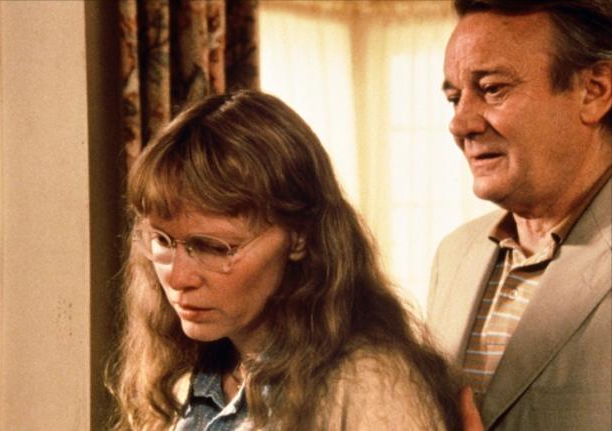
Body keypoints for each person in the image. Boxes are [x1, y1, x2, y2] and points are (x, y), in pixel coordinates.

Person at [107, 90, 463, 430]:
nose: (178, 277)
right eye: (162, 240)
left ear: (299, 238)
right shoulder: (184, 381)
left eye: (214, 247)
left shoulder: (370, 385)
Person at [428, 1, 612, 430]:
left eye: (493, 89)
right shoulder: (453, 255)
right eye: (454, 99)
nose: (460, 124)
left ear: (594, 90)